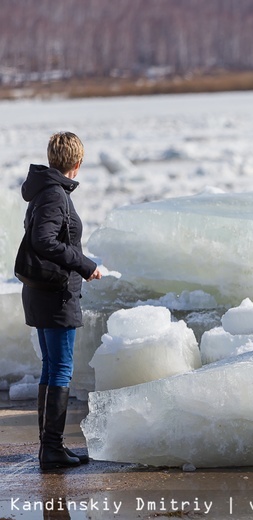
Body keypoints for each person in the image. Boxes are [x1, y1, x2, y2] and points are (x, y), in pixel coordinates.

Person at [18, 132, 102, 470]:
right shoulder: (54, 195)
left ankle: (49, 448)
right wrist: (85, 265)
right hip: (55, 295)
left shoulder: (44, 191)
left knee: (52, 367)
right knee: (61, 369)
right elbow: (44, 240)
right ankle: (51, 448)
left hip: (43, 292)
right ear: (77, 163)